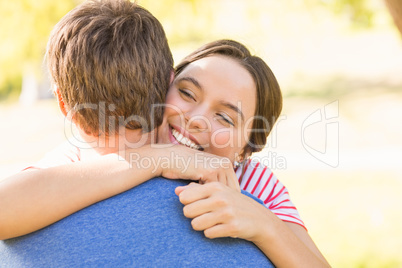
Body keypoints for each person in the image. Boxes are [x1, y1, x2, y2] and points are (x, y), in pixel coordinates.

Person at [0, 1, 329, 267]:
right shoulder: (96, 156)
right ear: (165, 85)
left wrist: (264, 224)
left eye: (225, 118)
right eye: (187, 93)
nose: (196, 119)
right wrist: (155, 158)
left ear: (245, 148)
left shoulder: (253, 181)